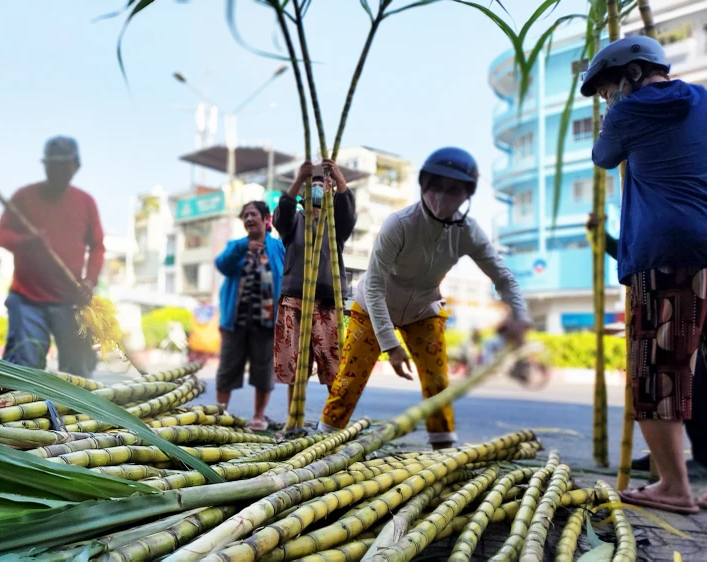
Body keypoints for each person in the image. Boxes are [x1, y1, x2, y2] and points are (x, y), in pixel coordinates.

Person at [319, 148, 530, 449]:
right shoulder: (399, 224)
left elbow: (503, 278)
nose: (442, 196)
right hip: (373, 306)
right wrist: (391, 346)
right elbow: (376, 286)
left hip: (423, 309)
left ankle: (443, 449)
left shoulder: (468, 232)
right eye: (436, 186)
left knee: (437, 382)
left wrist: (520, 319)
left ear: (466, 196)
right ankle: (321, 441)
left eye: (454, 190)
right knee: (348, 381)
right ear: (423, 186)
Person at [582, 35, 707, 513]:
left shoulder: (626, 112)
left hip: (664, 252)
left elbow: (602, 157)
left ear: (632, 74)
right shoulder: (701, 99)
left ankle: (674, 486)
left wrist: (612, 115)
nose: (610, 97)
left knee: (659, 373)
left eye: (610, 87)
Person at [586, 213, 707, 476]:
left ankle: (700, 458)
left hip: (690, 266)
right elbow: (639, 251)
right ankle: (664, 457)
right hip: (677, 265)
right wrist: (603, 237)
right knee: (674, 377)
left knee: (689, 378)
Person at [0, 136, 104, 377]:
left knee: (78, 372)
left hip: (70, 301)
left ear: (75, 166)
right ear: (45, 166)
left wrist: (90, 281)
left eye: (63, 164)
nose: (56, 170)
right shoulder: (24, 197)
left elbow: (98, 246)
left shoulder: (85, 202)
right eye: (51, 164)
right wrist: (27, 242)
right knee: (25, 366)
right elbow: (1, 235)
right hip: (27, 300)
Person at [273, 159, 357, 408]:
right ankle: (294, 420)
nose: (318, 189)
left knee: (333, 363)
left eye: (322, 185)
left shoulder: (335, 224)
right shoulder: (294, 221)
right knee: (295, 365)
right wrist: (300, 178)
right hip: (295, 298)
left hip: (327, 299)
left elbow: (348, 211)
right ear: (303, 195)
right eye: (313, 186)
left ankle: (335, 420)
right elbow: (282, 213)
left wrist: (339, 178)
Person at [215, 201, 285, 430]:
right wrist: (243, 248)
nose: (248, 219)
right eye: (244, 215)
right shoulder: (236, 245)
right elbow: (222, 265)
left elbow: (286, 276)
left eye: (253, 214)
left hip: (266, 322)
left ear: (266, 219)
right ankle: (220, 414)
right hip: (235, 322)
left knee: (264, 371)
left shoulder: (277, 247)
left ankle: (258, 416)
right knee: (227, 369)